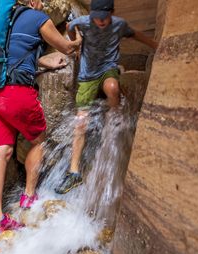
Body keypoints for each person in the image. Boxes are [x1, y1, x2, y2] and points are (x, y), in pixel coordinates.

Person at [0, 0, 82, 236]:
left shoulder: (3, 21)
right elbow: (69, 48)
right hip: (19, 93)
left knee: (1, 154)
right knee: (39, 140)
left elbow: (15, 52)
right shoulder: (38, 18)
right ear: (32, 1)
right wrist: (77, 35)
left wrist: (43, 61)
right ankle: (29, 195)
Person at [55, 0, 158, 194]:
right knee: (81, 122)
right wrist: (76, 44)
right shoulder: (84, 21)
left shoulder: (119, 24)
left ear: (112, 13)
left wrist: (155, 45)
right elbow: (70, 26)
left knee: (112, 87)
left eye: (104, 17)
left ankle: (114, 120)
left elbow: (136, 35)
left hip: (107, 70)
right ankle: (74, 172)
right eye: (97, 18)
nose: (100, 21)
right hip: (87, 76)